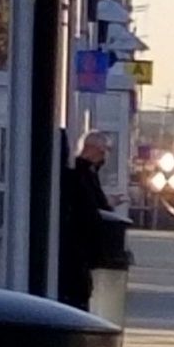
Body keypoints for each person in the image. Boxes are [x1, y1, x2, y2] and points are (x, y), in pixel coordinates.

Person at [59, 130, 114, 310]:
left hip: (78, 249)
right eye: (102, 151)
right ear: (92, 149)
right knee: (78, 292)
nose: (104, 157)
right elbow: (90, 208)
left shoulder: (83, 173)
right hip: (77, 248)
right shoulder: (81, 175)